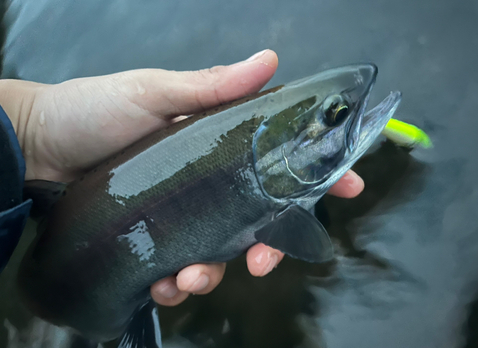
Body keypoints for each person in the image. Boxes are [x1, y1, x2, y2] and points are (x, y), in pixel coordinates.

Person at [0, 49, 364, 307]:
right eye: (336, 114)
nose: (347, 111)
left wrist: (28, 128)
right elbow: (312, 246)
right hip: (55, 287)